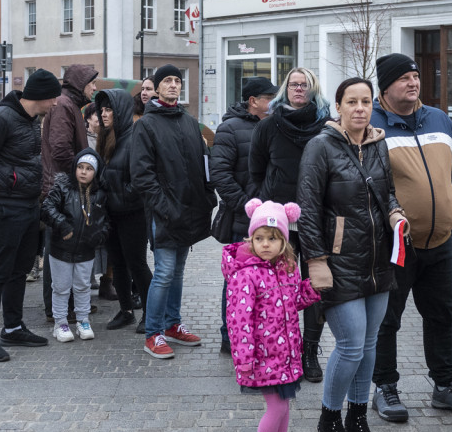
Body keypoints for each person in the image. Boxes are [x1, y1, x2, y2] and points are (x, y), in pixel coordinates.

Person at [367, 53, 452, 422]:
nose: (413, 82)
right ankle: (385, 387)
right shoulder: (370, 124)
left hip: (441, 238)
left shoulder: (437, 118)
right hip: (395, 243)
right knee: (387, 319)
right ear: (385, 86)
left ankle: (446, 384)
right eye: (403, 77)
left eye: (415, 75)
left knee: (442, 314)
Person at [297, 77, 405, 432]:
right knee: (351, 344)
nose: (360, 108)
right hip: (338, 262)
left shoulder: (378, 143)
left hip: (377, 260)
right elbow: (307, 211)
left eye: (366, 102)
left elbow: (387, 191)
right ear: (338, 107)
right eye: (352, 102)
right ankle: (329, 421)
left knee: (370, 343)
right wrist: (316, 261)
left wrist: (395, 214)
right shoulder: (320, 147)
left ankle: (358, 419)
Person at [0, 69, 62, 362]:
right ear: (41, 96)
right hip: (4, 206)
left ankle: (13, 326)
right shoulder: (0, 119)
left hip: (28, 205)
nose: (56, 104)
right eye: (53, 98)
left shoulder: (32, 121)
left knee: (20, 270)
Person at [223, 199, 321, 432]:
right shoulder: (246, 274)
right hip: (263, 357)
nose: (265, 244)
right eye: (259, 238)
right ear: (251, 238)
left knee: (285, 403)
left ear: (284, 242)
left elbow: (292, 303)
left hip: (286, 353)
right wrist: (244, 358)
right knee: (276, 407)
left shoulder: (287, 268)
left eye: (273, 238)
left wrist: (311, 289)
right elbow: (240, 321)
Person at [249, 67, 331, 381]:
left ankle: (309, 351)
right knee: (275, 290)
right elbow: (255, 172)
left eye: (305, 84)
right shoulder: (268, 127)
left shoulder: (326, 128)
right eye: (294, 84)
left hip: (315, 221)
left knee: (314, 289)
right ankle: (280, 350)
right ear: (286, 88)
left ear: (313, 89)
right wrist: (265, 208)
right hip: (277, 224)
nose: (299, 89)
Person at [132, 63, 216, 359]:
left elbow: (204, 162)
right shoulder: (146, 124)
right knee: (165, 272)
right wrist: (165, 208)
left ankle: (172, 325)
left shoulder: (189, 121)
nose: (173, 85)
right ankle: (153, 333)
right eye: (167, 80)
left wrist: (208, 197)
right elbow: (142, 176)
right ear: (156, 87)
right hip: (164, 213)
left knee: (178, 272)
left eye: (177, 81)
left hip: (190, 210)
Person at [211, 76, 278, 354]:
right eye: (269, 99)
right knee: (238, 283)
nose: (275, 103)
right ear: (253, 101)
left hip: (273, 223)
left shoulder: (276, 127)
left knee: (268, 283)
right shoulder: (229, 129)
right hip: (243, 221)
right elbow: (220, 175)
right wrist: (247, 207)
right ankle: (231, 337)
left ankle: (261, 335)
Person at [41, 64, 99, 321]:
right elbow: (61, 149)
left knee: (68, 247)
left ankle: (70, 306)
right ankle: (58, 311)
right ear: (79, 83)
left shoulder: (69, 104)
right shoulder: (65, 105)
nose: (94, 88)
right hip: (61, 188)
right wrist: (81, 177)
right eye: (91, 83)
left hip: (64, 186)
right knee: (58, 251)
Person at [95, 88, 152, 333]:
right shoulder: (107, 137)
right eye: (102, 110)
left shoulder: (134, 137)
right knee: (117, 263)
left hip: (132, 213)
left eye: (108, 109)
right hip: (112, 212)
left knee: (137, 263)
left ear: (119, 110)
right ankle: (126, 311)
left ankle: (151, 313)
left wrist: (120, 193)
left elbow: (141, 178)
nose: (104, 114)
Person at [42, 149, 109, 342]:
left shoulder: (100, 195)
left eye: (89, 169)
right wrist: (62, 225)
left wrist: (98, 236)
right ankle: (60, 322)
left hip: (86, 251)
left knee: (82, 286)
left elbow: (106, 221)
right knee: (61, 287)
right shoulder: (63, 187)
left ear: (95, 172)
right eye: (80, 167)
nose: (83, 172)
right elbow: (47, 208)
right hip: (61, 249)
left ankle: (82, 320)